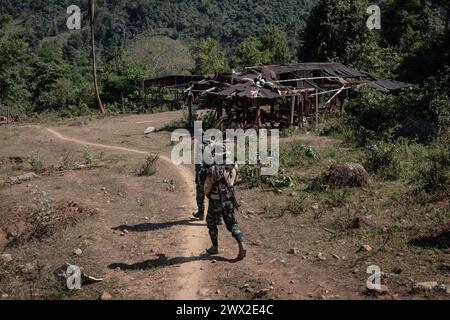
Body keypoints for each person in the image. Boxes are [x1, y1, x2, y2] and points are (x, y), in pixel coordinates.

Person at [203, 144, 246, 260]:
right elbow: (236, 180)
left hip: (215, 201)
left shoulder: (213, 169)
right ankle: (241, 243)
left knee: (210, 222)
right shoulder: (234, 165)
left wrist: (208, 195)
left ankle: (215, 247)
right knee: (232, 223)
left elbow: (207, 187)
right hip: (229, 199)